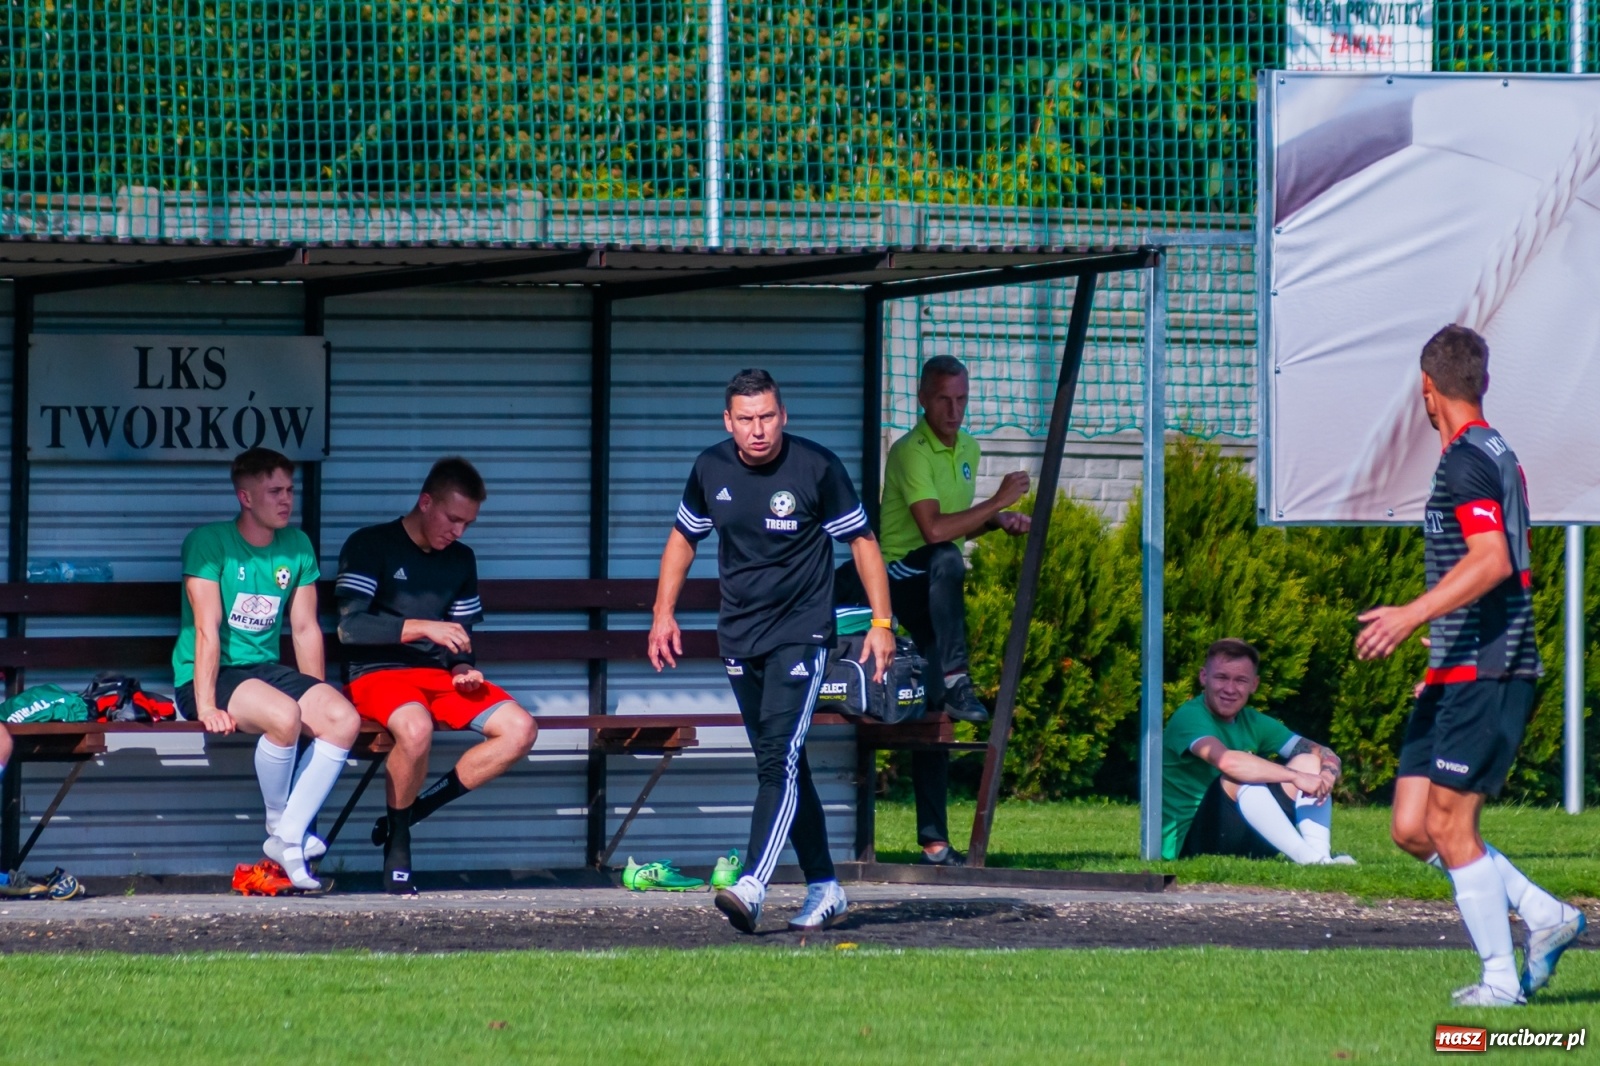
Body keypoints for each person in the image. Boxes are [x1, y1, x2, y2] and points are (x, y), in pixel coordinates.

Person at [1357, 324, 1585, 1007]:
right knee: (1411, 825)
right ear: (1480, 383)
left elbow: (1492, 559)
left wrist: (1411, 615)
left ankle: (1499, 983)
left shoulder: (1465, 460)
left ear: (1427, 388)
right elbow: (1518, 567)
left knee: (1452, 825)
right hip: (1460, 663)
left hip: (1487, 673)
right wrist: (1451, 626)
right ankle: (1544, 915)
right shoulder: (1493, 452)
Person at [649, 369, 895, 934]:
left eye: (767, 417)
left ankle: (753, 883)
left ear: (783, 416)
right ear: (728, 422)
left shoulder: (817, 467)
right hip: (740, 634)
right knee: (783, 763)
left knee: (778, 758)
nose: (757, 430)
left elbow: (861, 541)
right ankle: (825, 886)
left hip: (801, 632)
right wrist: (664, 613)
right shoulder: (711, 468)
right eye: (746, 419)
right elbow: (684, 537)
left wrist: (882, 622)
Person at [837, 354, 1031, 866]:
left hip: (932, 584)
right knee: (945, 556)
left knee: (934, 709)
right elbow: (934, 532)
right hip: (896, 576)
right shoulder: (909, 452)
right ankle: (957, 670)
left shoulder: (967, 447)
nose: (954, 409)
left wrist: (998, 519)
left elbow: (959, 522)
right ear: (923, 400)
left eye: (962, 398)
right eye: (944, 398)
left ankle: (934, 842)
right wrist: (997, 498)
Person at [336, 457, 537, 895]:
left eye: (467, 523)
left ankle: (413, 810)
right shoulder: (370, 544)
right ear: (425, 502)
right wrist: (424, 627)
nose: (458, 532)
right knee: (415, 726)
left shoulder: (461, 559)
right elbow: (351, 628)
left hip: (437, 678)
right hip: (376, 674)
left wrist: (464, 668)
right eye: (452, 519)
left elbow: (462, 642)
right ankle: (400, 845)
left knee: (520, 729)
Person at [173, 447, 360, 891]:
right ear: (245, 497)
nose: (286, 500)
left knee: (343, 718)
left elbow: (304, 628)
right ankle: (283, 826)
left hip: (265, 670)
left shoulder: (297, 545)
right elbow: (206, 630)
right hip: (211, 674)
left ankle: (287, 834)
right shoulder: (209, 542)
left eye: (290, 490)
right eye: (274, 490)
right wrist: (204, 703)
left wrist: (317, 695)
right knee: (285, 717)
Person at [1162, 639, 1353, 865]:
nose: (1230, 689)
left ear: (1254, 684)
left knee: (1309, 761)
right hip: (1190, 845)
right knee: (1240, 774)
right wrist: (1295, 777)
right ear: (1204, 677)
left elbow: (1321, 751)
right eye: (1221, 677)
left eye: (1241, 680)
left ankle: (1321, 857)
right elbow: (1226, 762)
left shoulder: (1252, 720)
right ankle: (1308, 859)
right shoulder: (1190, 716)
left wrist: (1326, 774)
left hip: (1240, 835)